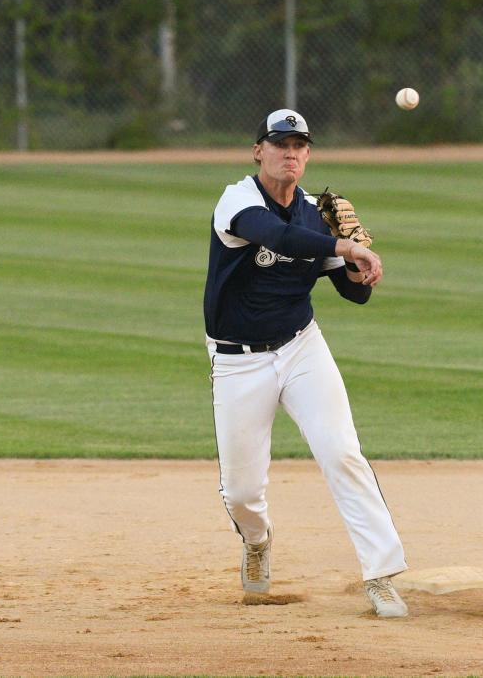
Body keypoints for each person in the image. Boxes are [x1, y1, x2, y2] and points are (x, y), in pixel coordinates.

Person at [203, 108, 409, 618]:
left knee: (342, 452)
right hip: (237, 361)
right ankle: (256, 539)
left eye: (299, 146)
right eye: (279, 143)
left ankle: (381, 574)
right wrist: (338, 242)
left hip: (301, 347)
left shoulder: (318, 214)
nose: (290, 153)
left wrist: (360, 263)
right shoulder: (238, 200)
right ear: (259, 151)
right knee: (243, 491)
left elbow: (351, 293)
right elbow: (276, 237)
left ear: (308, 155)